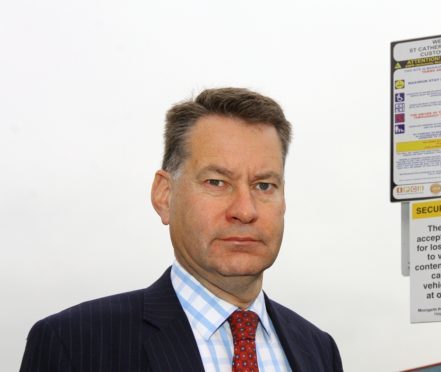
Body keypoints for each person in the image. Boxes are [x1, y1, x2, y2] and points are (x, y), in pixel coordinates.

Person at [20, 88, 343, 372]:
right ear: (164, 195)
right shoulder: (75, 344)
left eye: (264, 185)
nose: (245, 210)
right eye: (216, 182)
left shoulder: (318, 350)